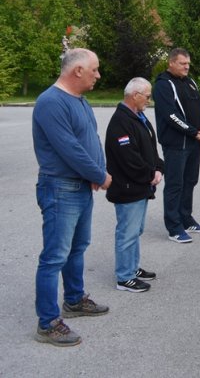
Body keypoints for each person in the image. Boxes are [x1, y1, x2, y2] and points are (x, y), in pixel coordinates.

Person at [32, 48, 112, 347]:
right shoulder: (50, 102)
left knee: (77, 248)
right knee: (54, 256)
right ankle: (48, 323)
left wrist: (96, 171)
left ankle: (75, 300)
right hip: (60, 187)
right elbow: (70, 149)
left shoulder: (80, 100)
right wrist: (100, 176)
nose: (98, 74)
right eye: (95, 69)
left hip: (79, 185)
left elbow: (90, 139)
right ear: (77, 70)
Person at [105, 78, 164, 292]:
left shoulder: (139, 117)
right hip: (127, 188)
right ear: (135, 95)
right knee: (127, 232)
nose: (150, 100)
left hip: (140, 186)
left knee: (136, 230)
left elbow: (150, 147)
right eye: (147, 96)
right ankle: (124, 277)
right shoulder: (121, 121)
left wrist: (158, 167)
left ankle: (133, 266)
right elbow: (128, 157)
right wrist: (149, 174)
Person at [153, 48, 200, 243]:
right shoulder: (163, 85)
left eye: (188, 64)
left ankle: (186, 218)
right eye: (182, 63)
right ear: (171, 63)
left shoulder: (190, 82)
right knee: (175, 184)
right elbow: (170, 115)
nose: (187, 67)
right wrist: (193, 132)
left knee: (190, 181)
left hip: (194, 142)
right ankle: (174, 226)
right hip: (176, 144)